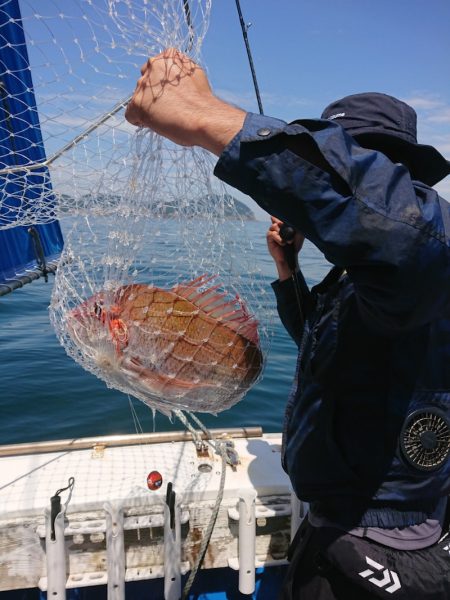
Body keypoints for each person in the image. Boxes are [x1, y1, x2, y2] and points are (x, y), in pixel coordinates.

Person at [125, 48, 450, 599]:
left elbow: (405, 238)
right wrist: (288, 269)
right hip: (334, 525)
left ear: (401, 183)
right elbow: (329, 351)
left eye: (351, 168)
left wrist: (209, 118)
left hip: (387, 548)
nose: (335, 187)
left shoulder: (422, 263)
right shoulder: (361, 284)